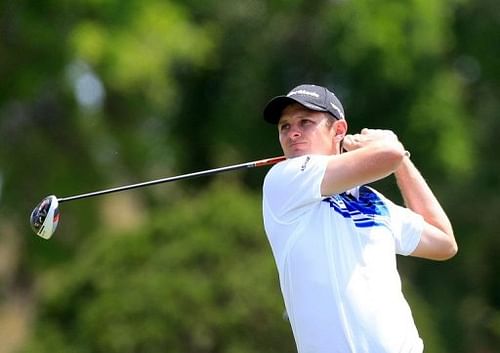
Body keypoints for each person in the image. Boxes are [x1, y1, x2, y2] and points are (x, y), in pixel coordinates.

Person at [261, 84, 457, 353]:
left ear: (339, 131)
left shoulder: (373, 201)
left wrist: (403, 162)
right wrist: (389, 146)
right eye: (284, 126)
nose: (292, 132)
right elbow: (388, 154)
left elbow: (444, 242)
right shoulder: (284, 179)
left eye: (305, 122)